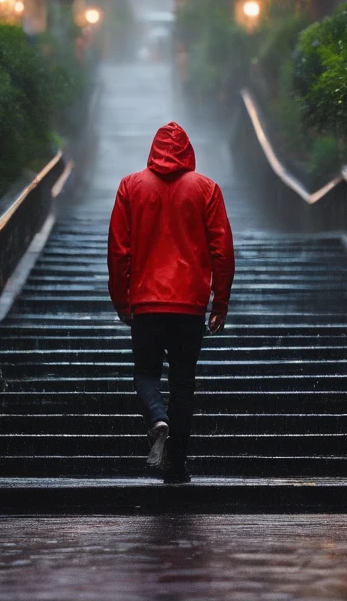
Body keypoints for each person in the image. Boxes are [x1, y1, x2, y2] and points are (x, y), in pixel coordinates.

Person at [107, 121, 235, 483]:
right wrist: (219, 304)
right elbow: (222, 252)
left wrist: (121, 299)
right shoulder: (206, 189)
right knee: (183, 383)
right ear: (188, 151)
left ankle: (156, 417)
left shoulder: (131, 187)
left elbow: (119, 251)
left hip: (146, 303)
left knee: (146, 373)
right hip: (190, 306)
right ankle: (176, 465)